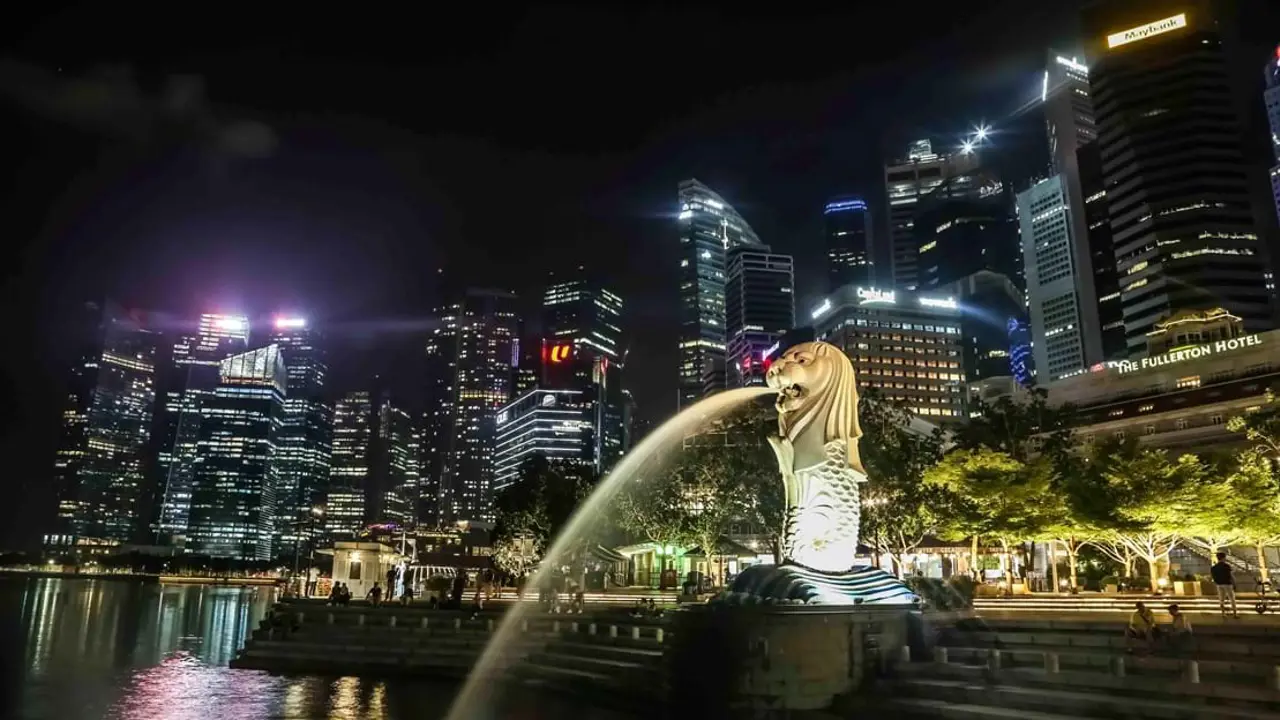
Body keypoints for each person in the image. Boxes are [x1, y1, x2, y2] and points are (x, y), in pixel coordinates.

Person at [1211, 553, 1239, 618]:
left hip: (1219, 584)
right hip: (1227, 584)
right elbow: (1231, 576)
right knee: (1232, 599)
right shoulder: (1227, 566)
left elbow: (1213, 577)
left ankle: (1223, 614)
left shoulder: (1214, 568)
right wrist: (1234, 584)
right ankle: (1235, 614)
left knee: (1221, 599)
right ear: (1223, 558)